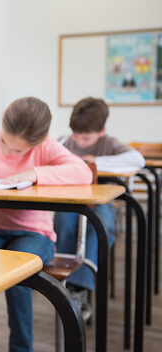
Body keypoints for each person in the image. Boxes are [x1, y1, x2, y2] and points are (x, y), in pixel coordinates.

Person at [0, 97, 93, 352]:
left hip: (36, 234)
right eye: (4, 141)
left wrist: (37, 173)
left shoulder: (46, 147)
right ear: (2, 125)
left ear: (37, 142)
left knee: (17, 271)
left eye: (17, 151)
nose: (6, 151)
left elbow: (83, 172)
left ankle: (21, 348)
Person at [53, 97, 145, 319]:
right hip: (71, 200)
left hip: (102, 202)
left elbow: (137, 160)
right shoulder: (65, 142)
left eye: (86, 137)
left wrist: (95, 162)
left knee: (100, 226)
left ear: (102, 130)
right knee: (64, 222)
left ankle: (77, 288)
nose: (80, 141)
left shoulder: (110, 143)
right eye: (76, 135)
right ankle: (66, 281)